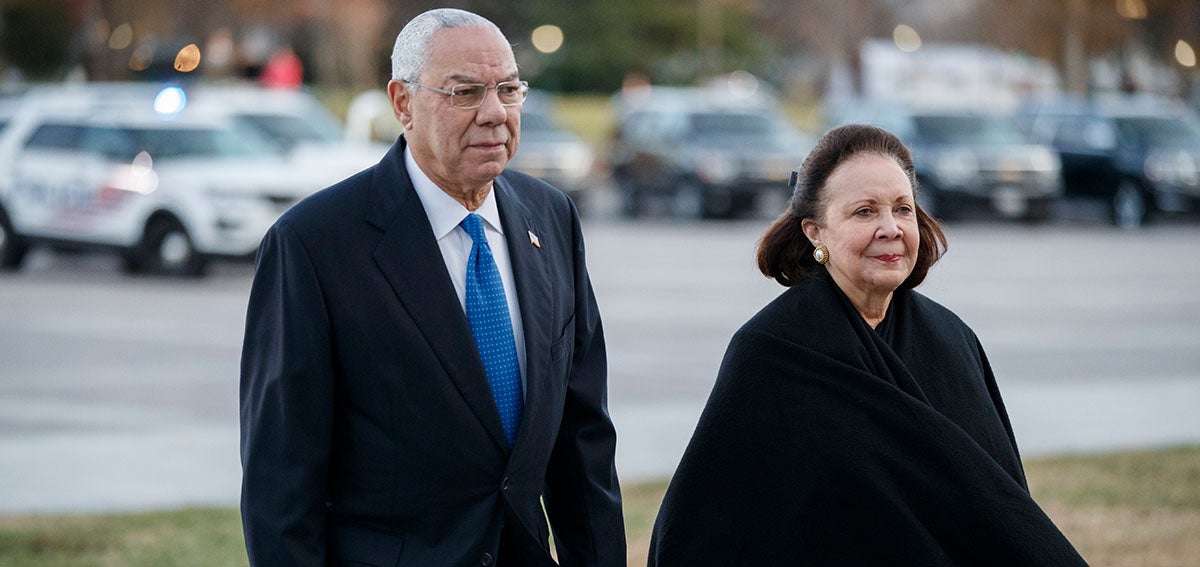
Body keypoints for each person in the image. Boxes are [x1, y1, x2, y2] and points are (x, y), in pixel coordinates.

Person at [239, 9, 626, 566]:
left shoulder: (552, 216)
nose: (495, 114)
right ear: (402, 104)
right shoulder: (314, 245)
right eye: (466, 92)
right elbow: (281, 481)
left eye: (508, 90)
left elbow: (582, 439)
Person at [648, 124, 1086, 565]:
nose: (890, 228)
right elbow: (701, 532)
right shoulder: (770, 353)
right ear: (815, 232)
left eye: (902, 209)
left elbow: (1001, 515)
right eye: (864, 212)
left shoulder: (953, 341)